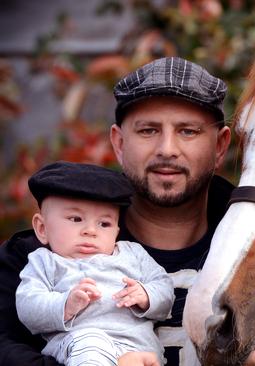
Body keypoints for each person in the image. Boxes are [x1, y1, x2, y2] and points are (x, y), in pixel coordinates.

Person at [0, 57, 233, 366]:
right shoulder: (33, 257)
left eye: (188, 131)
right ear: (119, 144)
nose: (166, 148)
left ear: (220, 146)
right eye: (148, 130)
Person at [16, 161, 174, 366]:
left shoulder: (132, 253)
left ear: (116, 232)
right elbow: (28, 306)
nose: (91, 231)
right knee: (90, 346)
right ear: (42, 228)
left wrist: (146, 295)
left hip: (137, 344)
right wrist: (65, 304)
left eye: (104, 223)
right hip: (82, 343)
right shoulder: (44, 262)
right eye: (75, 219)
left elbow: (164, 286)